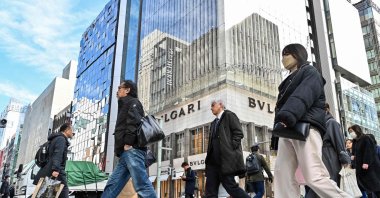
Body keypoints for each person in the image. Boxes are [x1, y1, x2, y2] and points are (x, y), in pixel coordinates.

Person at [271, 43, 350, 198]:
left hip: (305, 127)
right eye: (282, 55)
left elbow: (303, 95)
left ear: (297, 54)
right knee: (282, 177)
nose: (283, 58)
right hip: (287, 130)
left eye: (286, 54)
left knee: (314, 176)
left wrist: (287, 116)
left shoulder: (310, 71)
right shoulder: (288, 80)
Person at [102, 80, 156, 198]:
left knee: (142, 185)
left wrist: (128, 143)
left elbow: (134, 122)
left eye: (119, 87)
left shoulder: (133, 102)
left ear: (127, 90)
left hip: (133, 150)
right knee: (112, 185)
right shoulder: (125, 104)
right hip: (126, 153)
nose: (118, 90)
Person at [204, 100, 250, 198]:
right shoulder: (213, 123)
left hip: (224, 161)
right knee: (209, 192)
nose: (211, 108)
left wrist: (230, 148)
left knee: (231, 187)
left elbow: (238, 133)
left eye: (213, 105)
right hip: (212, 163)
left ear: (220, 105)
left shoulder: (229, 116)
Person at [305, 103, 351, 198]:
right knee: (326, 184)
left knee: (326, 184)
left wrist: (344, 159)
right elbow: (339, 143)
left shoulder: (330, 122)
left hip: (328, 155)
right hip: (325, 156)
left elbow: (339, 144)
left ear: (326, 110)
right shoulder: (319, 123)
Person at [33, 123, 74, 198]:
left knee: (44, 195)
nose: (73, 133)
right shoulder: (61, 139)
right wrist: (55, 169)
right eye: (72, 131)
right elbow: (57, 154)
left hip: (51, 170)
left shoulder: (56, 139)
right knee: (62, 192)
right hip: (57, 172)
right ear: (67, 130)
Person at [348, 125, 380, 197]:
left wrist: (366, 162)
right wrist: (353, 161)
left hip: (370, 168)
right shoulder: (355, 141)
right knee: (369, 189)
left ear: (357, 130)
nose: (350, 133)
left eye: (351, 131)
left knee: (376, 187)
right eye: (349, 132)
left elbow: (369, 151)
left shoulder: (365, 138)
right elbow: (354, 153)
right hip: (362, 169)